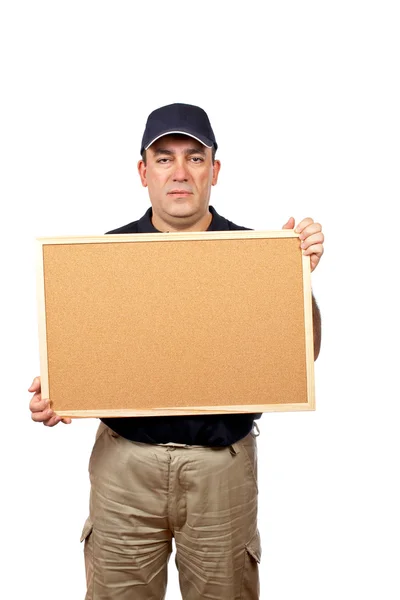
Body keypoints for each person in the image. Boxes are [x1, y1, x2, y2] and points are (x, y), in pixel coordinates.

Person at [29, 103, 324, 599]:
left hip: (220, 469)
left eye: (194, 157)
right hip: (125, 468)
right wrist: (55, 392)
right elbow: (83, 359)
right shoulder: (103, 257)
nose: (180, 172)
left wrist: (296, 278)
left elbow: (301, 357)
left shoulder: (256, 252)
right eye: (164, 159)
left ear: (215, 170)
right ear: (143, 172)